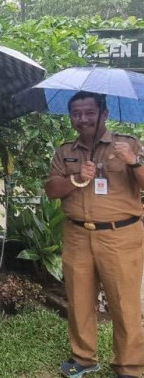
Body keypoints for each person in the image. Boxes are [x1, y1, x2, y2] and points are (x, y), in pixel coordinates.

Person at [46, 91, 144, 378]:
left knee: (125, 304)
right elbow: (52, 189)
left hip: (120, 236)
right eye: (76, 113)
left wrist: (133, 162)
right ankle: (84, 357)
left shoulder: (129, 144)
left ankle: (130, 366)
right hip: (77, 235)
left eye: (89, 112)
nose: (82, 119)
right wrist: (77, 179)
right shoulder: (65, 151)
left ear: (105, 113)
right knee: (79, 301)